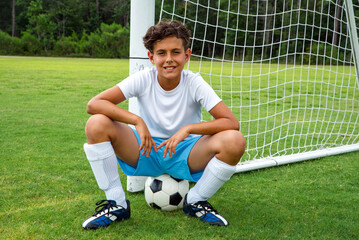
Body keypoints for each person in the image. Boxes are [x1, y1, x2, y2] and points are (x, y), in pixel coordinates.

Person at [81, 20, 246, 229]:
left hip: (185, 153)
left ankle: (196, 201)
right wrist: (137, 120)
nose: (169, 59)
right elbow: (94, 104)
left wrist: (188, 129)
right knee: (96, 123)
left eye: (175, 52)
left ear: (186, 55)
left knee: (235, 140)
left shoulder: (194, 82)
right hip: (145, 148)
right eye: (161, 53)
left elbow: (231, 122)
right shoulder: (143, 78)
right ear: (151, 57)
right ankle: (117, 204)